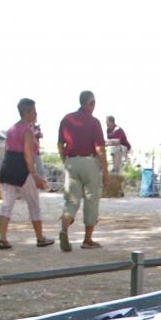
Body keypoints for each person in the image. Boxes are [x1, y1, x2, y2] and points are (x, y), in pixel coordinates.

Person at [57, 90, 109, 250]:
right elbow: (99, 148)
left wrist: (65, 160)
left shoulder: (66, 119)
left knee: (71, 201)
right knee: (91, 200)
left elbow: (60, 144)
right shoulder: (94, 122)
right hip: (89, 162)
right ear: (91, 103)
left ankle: (64, 228)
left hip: (72, 161)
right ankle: (87, 239)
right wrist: (105, 170)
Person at [0, 98, 51, 249]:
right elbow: (28, 154)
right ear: (27, 112)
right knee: (34, 204)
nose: (36, 114)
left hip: (7, 167)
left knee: (6, 205)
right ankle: (40, 237)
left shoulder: (11, 129)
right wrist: (34, 174)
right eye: (34, 111)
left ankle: (2, 238)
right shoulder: (27, 131)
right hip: (22, 168)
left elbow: (7, 149)